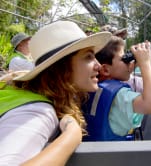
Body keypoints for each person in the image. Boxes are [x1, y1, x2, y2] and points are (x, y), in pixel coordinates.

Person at [0, 21, 111, 165]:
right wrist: (72, 134)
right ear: (61, 68)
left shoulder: (33, 97)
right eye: (88, 57)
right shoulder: (36, 112)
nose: (98, 65)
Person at [82, 36, 151, 141]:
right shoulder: (120, 96)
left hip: (95, 152)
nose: (129, 63)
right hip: (115, 155)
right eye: (124, 58)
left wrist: (134, 62)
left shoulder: (89, 87)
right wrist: (145, 64)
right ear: (105, 69)